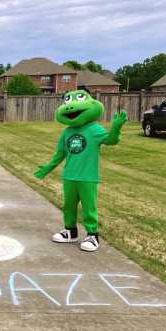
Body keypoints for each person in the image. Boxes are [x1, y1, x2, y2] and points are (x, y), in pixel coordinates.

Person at [34, 90, 127, 252]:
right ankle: (70, 231)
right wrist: (48, 168)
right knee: (68, 205)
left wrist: (116, 127)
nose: (70, 107)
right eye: (67, 102)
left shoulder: (95, 129)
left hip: (88, 177)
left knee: (88, 207)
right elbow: (60, 154)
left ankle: (92, 235)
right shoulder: (67, 132)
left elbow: (111, 140)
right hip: (69, 176)